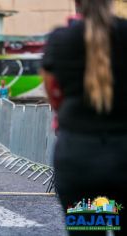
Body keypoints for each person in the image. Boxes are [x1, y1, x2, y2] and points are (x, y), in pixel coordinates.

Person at [41, 0, 127, 235]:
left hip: (79, 158)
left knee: (86, 230)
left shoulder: (61, 39)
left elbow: (53, 94)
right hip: (123, 154)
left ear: (76, 3)